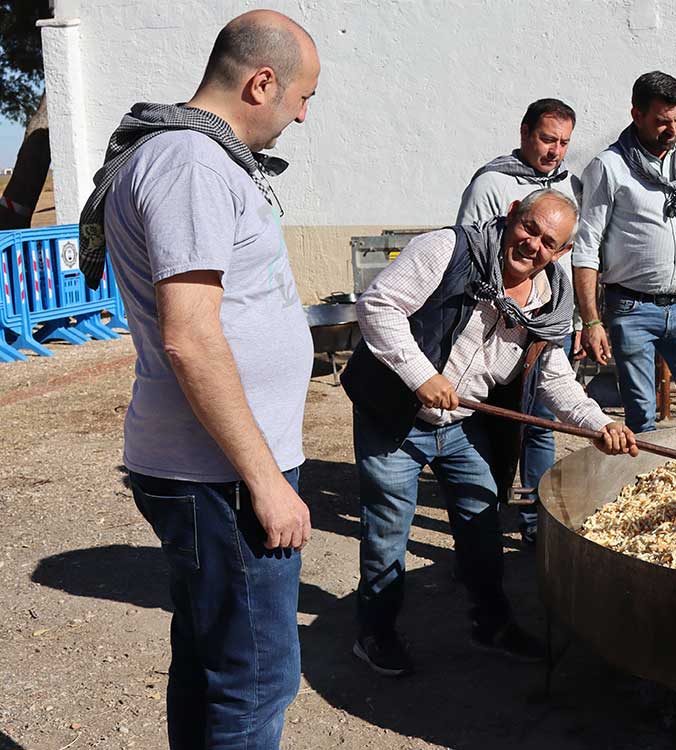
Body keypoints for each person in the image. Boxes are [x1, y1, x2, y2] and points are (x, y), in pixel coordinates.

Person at [80, 11, 319, 748]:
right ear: (262, 82)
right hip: (219, 477)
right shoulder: (189, 164)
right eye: (303, 96)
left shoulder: (196, 159)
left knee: (214, 661)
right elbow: (190, 337)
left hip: (216, 469)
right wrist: (266, 481)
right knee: (253, 681)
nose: (303, 114)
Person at [342, 190, 639, 676]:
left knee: (482, 519)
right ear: (511, 216)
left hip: (459, 427)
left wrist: (599, 424)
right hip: (393, 416)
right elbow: (377, 306)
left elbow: (554, 378)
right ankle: (375, 633)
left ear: (562, 252)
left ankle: (491, 624)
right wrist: (421, 375)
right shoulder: (448, 249)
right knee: (388, 531)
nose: (532, 245)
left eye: (549, 242)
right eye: (529, 228)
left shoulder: (550, 299)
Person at [572, 71, 676, 433]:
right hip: (629, 308)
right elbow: (587, 249)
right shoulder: (609, 167)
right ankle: (644, 486)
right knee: (641, 419)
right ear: (637, 115)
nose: (673, 129)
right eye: (663, 122)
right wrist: (591, 321)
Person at [455, 98, 583, 545]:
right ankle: (481, 530)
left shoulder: (568, 183)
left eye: (564, 142)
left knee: (542, 423)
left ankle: (537, 525)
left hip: (548, 320)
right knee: (497, 426)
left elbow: (572, 257)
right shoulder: (492, 183)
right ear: (525, 132)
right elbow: (469, 253)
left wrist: (578, 320)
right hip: (496, 327)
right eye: (548, 139)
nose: (555, 151)